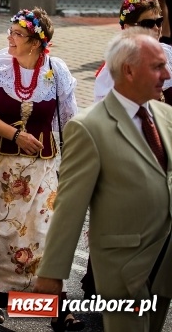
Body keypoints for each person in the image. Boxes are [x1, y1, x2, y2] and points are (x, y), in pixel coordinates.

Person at [35, 29, 172, 332]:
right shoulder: (89, 128)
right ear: (129, 71)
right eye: (157, 66)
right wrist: (53, 272)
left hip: (164, 257)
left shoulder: (165, 117)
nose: (166, 74)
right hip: (123, 260)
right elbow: (71, 203)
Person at [0, 8, 82, 330]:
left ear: (37, 42)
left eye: (17, 34)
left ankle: (55, 308)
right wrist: (15, 134)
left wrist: (74, 163)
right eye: (10, 32)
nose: (9, 38)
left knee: (42, 238)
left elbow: (69, 119)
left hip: (41, 170)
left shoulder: (57, 70)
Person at [94, 0, 172, 103]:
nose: (156, 28)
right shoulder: (115, 70)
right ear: (128, 28)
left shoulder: (167, 53)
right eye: (148, 24)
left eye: (159, 21)